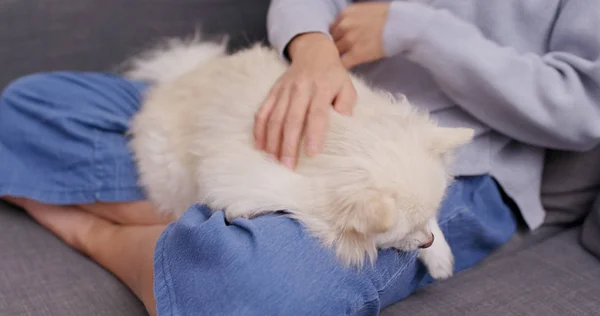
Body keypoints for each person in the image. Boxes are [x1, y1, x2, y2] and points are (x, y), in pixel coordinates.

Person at [0, 0, 598, 315]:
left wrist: (418, 31)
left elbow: (582, 108)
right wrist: (312, 50)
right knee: (33, 104)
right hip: (304, 104)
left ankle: (95, 235)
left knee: (256, 288)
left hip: (452, 168)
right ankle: (193, 241)